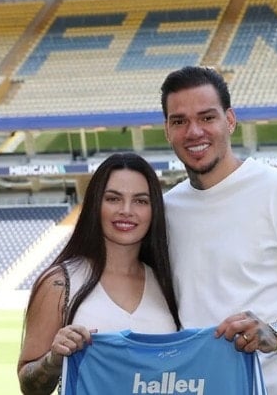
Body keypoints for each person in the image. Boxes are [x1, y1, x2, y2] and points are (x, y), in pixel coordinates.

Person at [160, 66, 277, 395]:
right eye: (179, 121)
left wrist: (276, 331)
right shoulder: (166, 209)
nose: (194, 132)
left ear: (230, 120)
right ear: (167, 130)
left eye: (207, 117)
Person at [17, 152, 181, 395]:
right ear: (95, 205)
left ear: (154, 209)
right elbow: (29, 386)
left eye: (140, 201)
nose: (126, 210)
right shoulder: (59, 283)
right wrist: (53, 359)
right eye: (113, 199)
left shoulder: (167, 282)